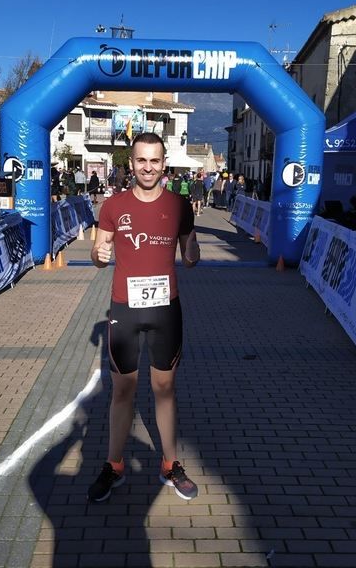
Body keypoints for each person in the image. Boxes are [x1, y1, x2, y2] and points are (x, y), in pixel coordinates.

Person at [89, 131, 200, 503]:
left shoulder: (180, 205)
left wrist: (193, 253)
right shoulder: (113, 206)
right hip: (125, 308)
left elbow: (190, 249)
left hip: (166, 309)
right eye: (141, 160)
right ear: (131, 164)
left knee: (165, 388)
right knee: (122, 389)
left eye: (154, 160)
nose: (148, 167)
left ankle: (170, 464)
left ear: (163, 163)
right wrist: (98, 255)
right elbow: (98, 249)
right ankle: (114, 465)